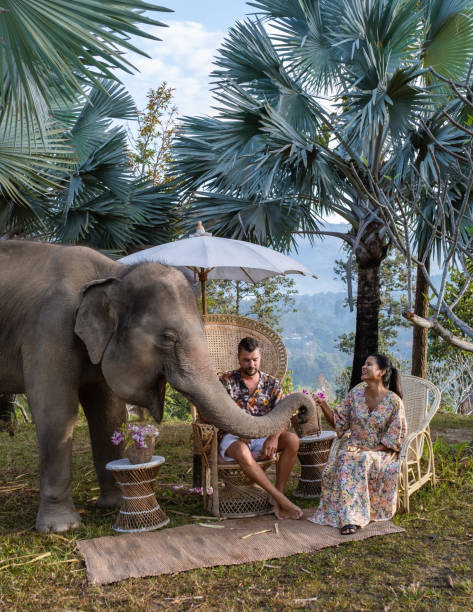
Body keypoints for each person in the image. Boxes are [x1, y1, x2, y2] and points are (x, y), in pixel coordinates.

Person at [310, 354, 407, 535]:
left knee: (358, 459)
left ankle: (351, 519)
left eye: (369, 365)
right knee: (347, 458)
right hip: (354, 448)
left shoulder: (394, 402)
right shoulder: (355, 394)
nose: (363, 367)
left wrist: (371, 450)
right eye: (364, 364)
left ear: (381, 372)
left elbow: (395, 439)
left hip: (381, 452)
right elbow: (339, 423)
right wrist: (323, 404)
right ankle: (348, 514)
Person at [219, 336, 303, 520]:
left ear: (260, 358)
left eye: (255, 359)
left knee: (292, 440)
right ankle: (282, 499)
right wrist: (240, 431)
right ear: (238, 358)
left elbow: (283, 415)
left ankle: (276, 495)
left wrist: (274, 436)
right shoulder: (226, 381)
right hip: (235, 436)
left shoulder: (272, 384)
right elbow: (215, 413)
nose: (251, 364)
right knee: (241, 450)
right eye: (246, 360)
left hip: (264, 436)